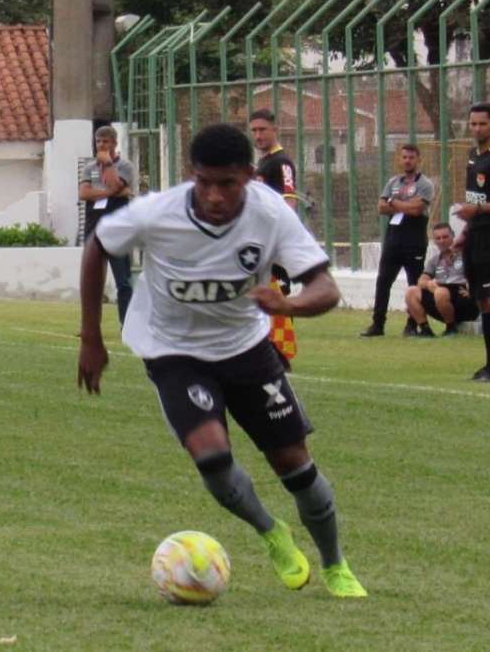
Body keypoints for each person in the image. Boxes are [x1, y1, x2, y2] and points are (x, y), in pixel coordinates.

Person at [77, 123, 367, 598]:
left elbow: (325, 287)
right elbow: (96, 248)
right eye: (204, 182)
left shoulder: (270, 213)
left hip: (246, 348)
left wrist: (288, 305)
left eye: (227, 184)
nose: (214, 195)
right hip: (173, 350)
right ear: (192, 176)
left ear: (249, 177)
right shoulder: (157, 213)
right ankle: (271, 532)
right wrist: (92, 336)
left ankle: (335, 565)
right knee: (211, 457)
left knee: (295, 465)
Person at [360, 144, 434, 337]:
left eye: (411, 157)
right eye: (404, 157)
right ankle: (378, 324)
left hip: (414, 240)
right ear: (399, 159)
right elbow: (381, 207)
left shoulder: (425, 184)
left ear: (418, 159)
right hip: (393, 239)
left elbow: (417, 209)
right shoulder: (393, 182)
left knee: (414, 285)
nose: (407, 160)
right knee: (383, 281)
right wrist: (403, 206)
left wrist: (394, 203)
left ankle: (413, 324)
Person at [249, 108, 299, 366]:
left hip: (273, 244)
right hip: (258, 243)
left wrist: (280, 240)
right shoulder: (263, 163)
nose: (258, 135)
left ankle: (282, 355)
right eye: (254, 130)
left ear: (275, 129)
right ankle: (268, 353)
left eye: (262, 129)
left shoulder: (282, 163)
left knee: (278, 296)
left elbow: (289, 201)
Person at [79, 125, 135, 324]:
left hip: (118, 231)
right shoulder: (89, 168)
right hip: (94, 230)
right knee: (91, 284)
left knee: (123, 282)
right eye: (98, 142)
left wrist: (109, 165)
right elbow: (84, 193)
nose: (101, 145)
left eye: (105, 142)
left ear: (114, 143)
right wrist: (111, 192)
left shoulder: (125, 166)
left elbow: (117, 184)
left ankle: (126, 325)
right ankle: (89, 327)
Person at [453, 102, 490, 381]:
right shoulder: (471, 157)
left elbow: (478, 205)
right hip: (475, 238)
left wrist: (476, 211)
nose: (477, 128)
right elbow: (473, 200)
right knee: (482, 301)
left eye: (483, 124)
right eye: (473, 123)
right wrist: (464, 232)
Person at [404, 223, 478, 337]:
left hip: (464, 297)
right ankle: (425, 330)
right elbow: (421, 280)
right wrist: (429, 284)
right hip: (441, 295)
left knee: (440, 292)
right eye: (438, 238)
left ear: (453, 236)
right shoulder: (435, 260)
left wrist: (474, 290)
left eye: (445, 237)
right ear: (434, 241)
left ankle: (451, 329)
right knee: (411, 292)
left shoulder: (467, 255)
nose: (442, 241)